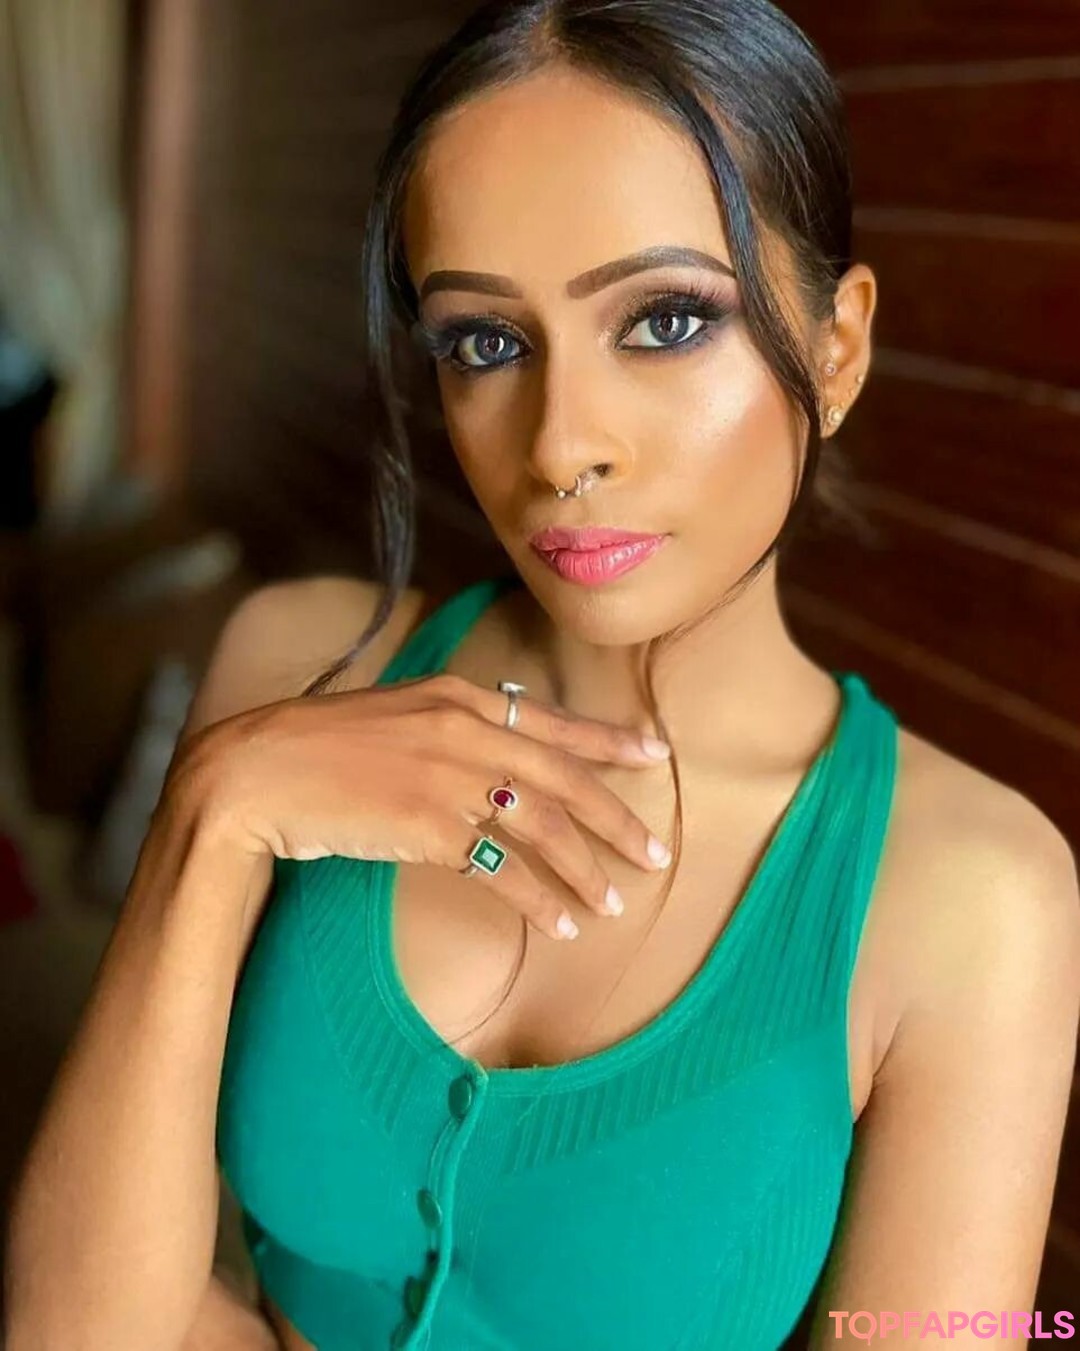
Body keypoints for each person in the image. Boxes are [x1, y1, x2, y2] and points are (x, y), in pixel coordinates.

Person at [6, 2, 1079, 1349]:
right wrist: (211, 811)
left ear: (836, 349)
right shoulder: (296, 664)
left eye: (668, 319)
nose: (562, 444)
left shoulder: (975, 899)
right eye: (487, 342)